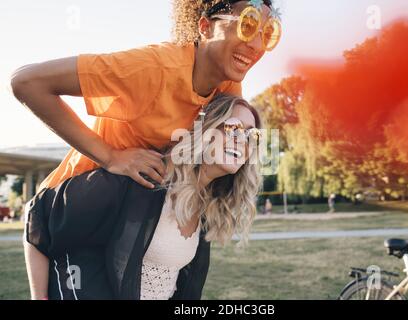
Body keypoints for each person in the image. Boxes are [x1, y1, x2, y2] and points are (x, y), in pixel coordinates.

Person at [10, 0, 281, 300]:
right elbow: (26, 82)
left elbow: (222, 146)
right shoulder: (151, 68)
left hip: (134, 210)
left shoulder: (227, 85)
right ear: (205, 27)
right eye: (246, 25)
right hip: (81, 202)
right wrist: (110, 157)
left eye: (267, 33)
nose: (257, 45)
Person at [25, 94, 263, 300]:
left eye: (251, 135)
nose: (242, 141)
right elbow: (38, 216)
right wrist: (40, 296)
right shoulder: (140, 178)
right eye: (234, 128)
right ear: (205, 128)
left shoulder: (207, 205)